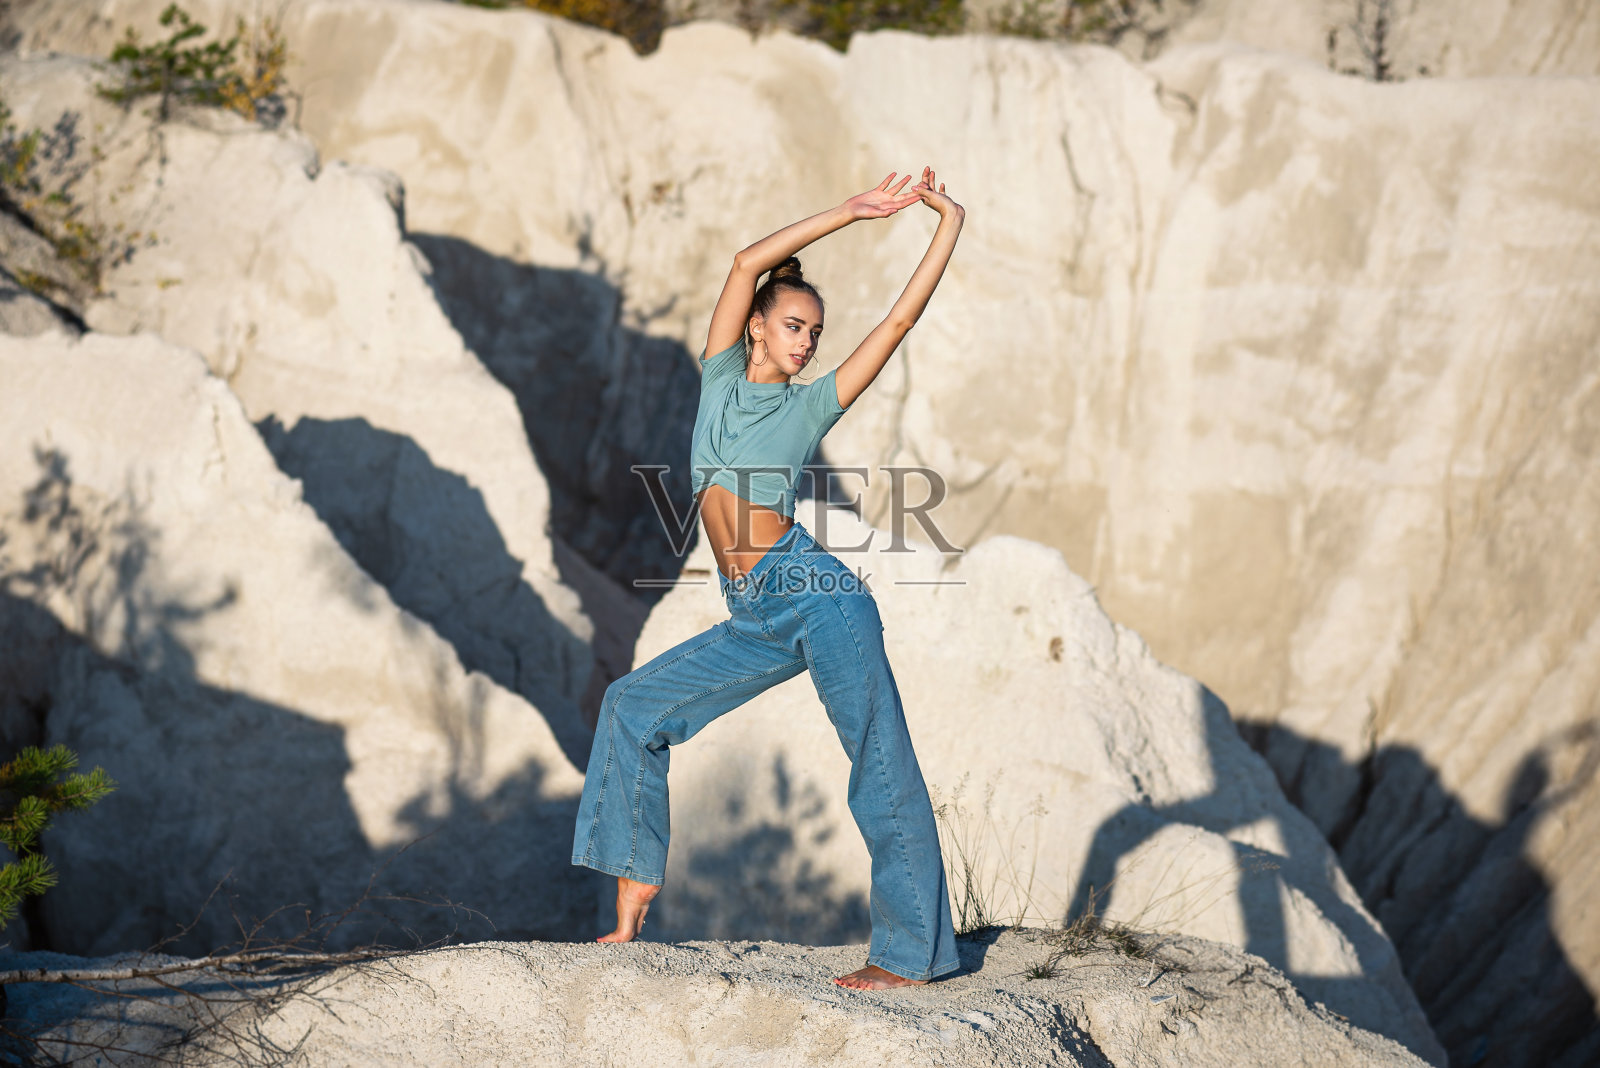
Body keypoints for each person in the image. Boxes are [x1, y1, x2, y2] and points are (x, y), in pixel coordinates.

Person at [571, 167, 966, 990]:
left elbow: (896, 322)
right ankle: (634, 887)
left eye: (816, 333)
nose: (808, 341)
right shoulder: (717, 381)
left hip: (816, 596)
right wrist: (852, 212)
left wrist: (946, 228)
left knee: (878, 760)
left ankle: (910, 955)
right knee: (632, 706)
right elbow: (748, 260)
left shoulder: (810, 405)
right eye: (794, 325)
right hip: (752, 611)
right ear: (754, 326)